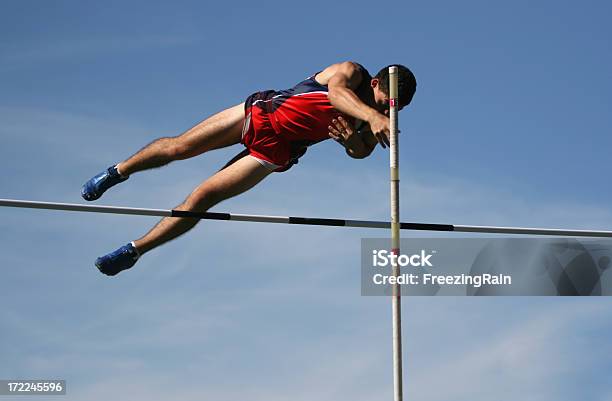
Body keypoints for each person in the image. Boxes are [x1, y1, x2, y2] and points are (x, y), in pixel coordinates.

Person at [83, 61, 417, 276]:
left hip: (276, 150)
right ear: (375, 83)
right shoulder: (352, 72)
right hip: (261, 114)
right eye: (384, 103)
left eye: (393, 109)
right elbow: (336, 94)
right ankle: (119, 171)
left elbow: (360, 152)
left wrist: (350, 142)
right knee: (179, 148)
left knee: (203, 196)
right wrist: (371, 115)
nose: (385, 112)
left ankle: (134, 251)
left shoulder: (378, 121)